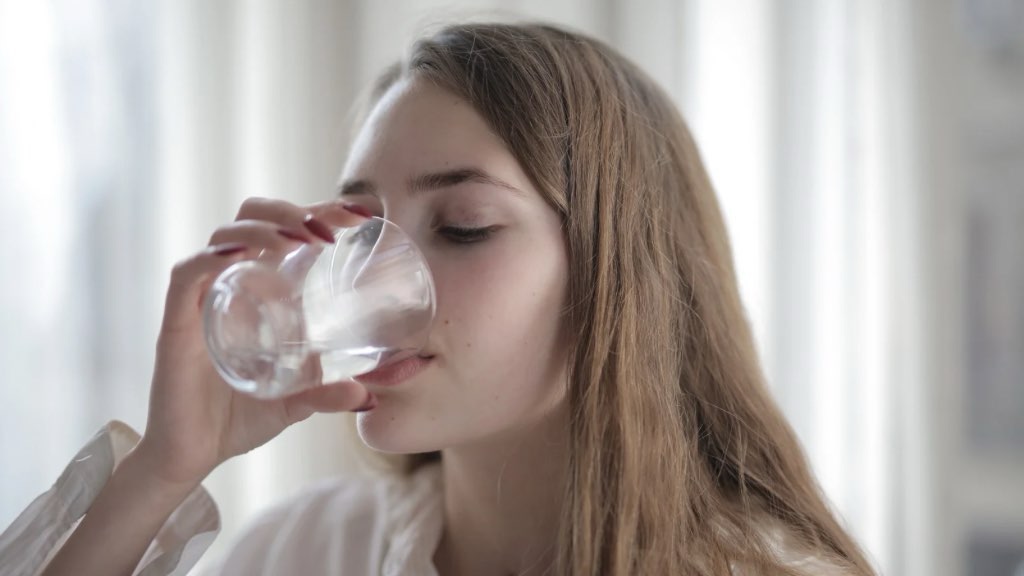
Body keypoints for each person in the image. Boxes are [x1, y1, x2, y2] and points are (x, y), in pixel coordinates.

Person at [1, 21, 876, 576]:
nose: (371, 278)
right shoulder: (313, 551)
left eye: (461, 226)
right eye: (360, 228)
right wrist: (162, 469)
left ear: (620, 275)